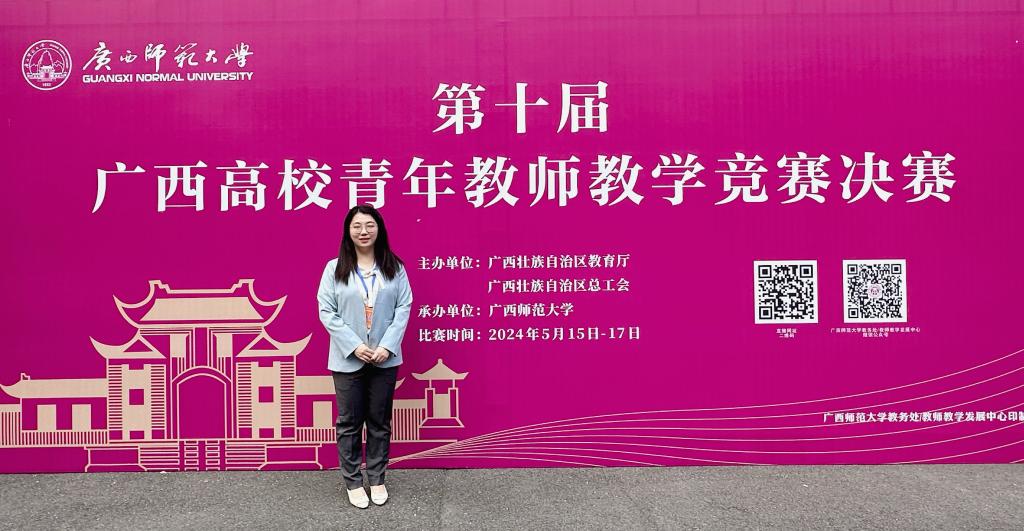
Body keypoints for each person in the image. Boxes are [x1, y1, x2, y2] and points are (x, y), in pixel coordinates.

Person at [317, 204, 413, 509]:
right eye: (357, 226)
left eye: (369, 225)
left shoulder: (394, 267)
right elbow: (326, 311)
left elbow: (404, 308)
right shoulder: (334, 269)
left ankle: (377, 478)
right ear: (348, 231)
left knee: (379, 421)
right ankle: (353, 481)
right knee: (349, 422)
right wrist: (354, 345)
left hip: (385, 357)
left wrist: (387, 345)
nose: (363, 231)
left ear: (379, 229)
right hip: (348, 358)